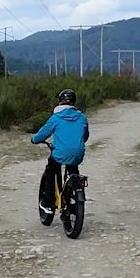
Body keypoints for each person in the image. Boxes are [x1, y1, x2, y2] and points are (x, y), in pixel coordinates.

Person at [31, 88, 90, 217]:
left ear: (60, 102)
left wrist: (34, 140)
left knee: (51, 171)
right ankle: (75, 186)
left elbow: (42, 134)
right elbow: (85, 136)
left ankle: (49, 203)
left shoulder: (56, 118)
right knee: (73, 168)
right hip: (78, 153)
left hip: (60, 153)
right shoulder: (82, 118)